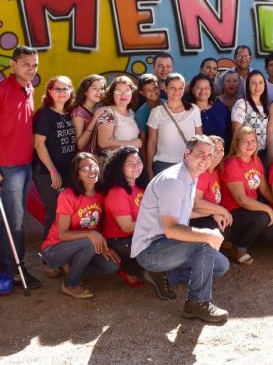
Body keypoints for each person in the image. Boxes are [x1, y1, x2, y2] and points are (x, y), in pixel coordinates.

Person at [131, 135, 230, 323]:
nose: (205, 159)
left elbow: (183, 212)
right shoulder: (174, 181)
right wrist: (208, 235)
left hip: (168, 245)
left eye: (209, 155)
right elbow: (171, 229)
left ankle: (166, 275)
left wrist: (213, 213)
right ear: (187, 154)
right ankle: (197, 304)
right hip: (151, 251)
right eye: (200, 154)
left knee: (220, 266)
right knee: (205, 241)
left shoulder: (190, 176)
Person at [0, 45, 41, 288]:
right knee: (15, 222)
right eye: (26, 64)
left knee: (14, 218)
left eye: (34, 65)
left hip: (25, 164)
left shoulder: (29, 87)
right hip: (7, 166)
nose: (31, 69)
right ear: (12, 64)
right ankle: (17, 268)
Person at [39, 153, 120, 298]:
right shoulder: (67, 195)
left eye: (94, 165)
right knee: (90, 241)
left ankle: (73, 265)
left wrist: (103, 247)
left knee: (111, 266)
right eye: (85, 169)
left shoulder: (101, 194)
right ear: (77, 175)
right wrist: (91, 235)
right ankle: (71, 284)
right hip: (55, 249)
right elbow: (62, 234)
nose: (92, 170)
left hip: (84, 245)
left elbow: (99, 227)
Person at [220, 126, 273, 264]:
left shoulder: (256, 160)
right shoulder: (232, 163)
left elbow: (265, 190)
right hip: (232, 213)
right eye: (245, 141)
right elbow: (241, 199)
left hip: (249, 209)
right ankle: (238, 247)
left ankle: (235, 239)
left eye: (253, 141)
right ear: (237, 143)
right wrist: (269, 209)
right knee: (263, 217)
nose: (250, 144)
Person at [32, 75, 77, 240]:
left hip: (68, 172)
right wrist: (53, 171)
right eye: (57, 89)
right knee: (54, 212)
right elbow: (38, 145)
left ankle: (64, 249)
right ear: (50, 91)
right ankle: (49, 250)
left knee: (67, 212)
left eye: (66, 88)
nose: (62, 92)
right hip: (47, 173)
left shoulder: (68, 113)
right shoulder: (45, 114)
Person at [101, 146, 146, 288]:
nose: (136, 167)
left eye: (139, 162)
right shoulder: (118, 192)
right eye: (130, 164)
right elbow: (127, 227)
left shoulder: (140, 187)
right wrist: (157, 222)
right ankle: (128, 269)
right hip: (120, 240)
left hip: (137, 235)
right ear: (119, 167)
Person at [147, 73, 202, 175]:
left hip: (188, 162)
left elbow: (199, 138)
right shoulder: (156, 112)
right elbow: (152, 142)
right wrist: (149, 169)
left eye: (180, 88)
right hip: (163, 164)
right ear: (165, 88)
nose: (177, 91)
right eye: (173, 88)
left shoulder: (194, 109)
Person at [95, 76, 142, 158]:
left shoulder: (131, 113)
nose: (123, 95)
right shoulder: (108, 113)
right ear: (112, 93)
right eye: (118, 91)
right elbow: (103, 142)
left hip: (130, 160)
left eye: (127, 91)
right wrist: (131, 144)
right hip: (114, 161)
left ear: (132, 93)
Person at [231, 70, 270, 157]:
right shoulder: (241, 103)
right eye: (253, 83)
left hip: (263, 152)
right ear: (248, 86)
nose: (258, 86)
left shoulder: (266, 105)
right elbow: (236, 132)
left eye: (261, 82)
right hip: (247, 152)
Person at [71, 74, 106, 153]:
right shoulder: (78, 113)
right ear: (85, 91)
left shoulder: (102, 107)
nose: (99, 91)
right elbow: (80, 145)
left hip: (102, 156)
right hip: (87, 157)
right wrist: (95, 119)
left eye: (102, 88)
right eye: (94, 88)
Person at [190, 74, 231, 141]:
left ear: (211, 90)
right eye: (198, 88)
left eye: (206, 88)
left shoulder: (220, 107)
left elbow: (229, 132)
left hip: (221, 147)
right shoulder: (187, 111)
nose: (203, 91)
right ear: (192, 90)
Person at [134, 74, 163, 141]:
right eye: (148, 90)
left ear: (159, 87)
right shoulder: (140, 114)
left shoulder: (168, 103)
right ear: (142, 93)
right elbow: (143, 140)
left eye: (155, 87)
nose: (153, 91)